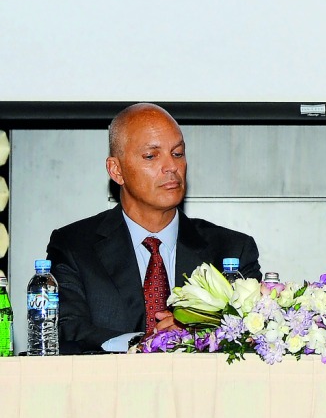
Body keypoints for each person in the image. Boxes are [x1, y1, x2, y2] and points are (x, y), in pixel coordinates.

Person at [46, 103, 260, 354]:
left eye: (178, 154)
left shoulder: (231, 250)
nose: (171, 167)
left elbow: (255, 330)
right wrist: (148, 340)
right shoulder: (75, 247)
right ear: (116, 170)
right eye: (151, 156)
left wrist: (195, 334)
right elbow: (66, 330)